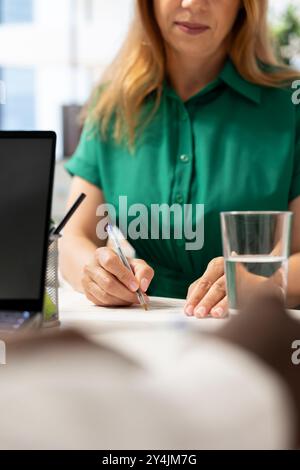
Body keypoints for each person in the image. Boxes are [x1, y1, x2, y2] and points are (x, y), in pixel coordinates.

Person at [60, 0, 300, 318]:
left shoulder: (291, 103)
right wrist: (95, 274)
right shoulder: (114, 101)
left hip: (256, 337)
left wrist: (264, 284)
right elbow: (71, 236)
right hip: (145, 329)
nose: (192, 3)